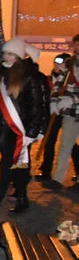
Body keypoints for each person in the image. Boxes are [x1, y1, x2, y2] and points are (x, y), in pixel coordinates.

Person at [0, 39, 49, 216]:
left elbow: (38, 105)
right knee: (18, 166)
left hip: (18, 130)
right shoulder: (0, 72)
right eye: (5, 53)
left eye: (11, 54)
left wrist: (33, 132)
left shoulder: (30, 76)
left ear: (19, 56)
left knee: (7, 165)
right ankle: (22, 198)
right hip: (0, 127)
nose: (7, 57)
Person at [46, 36, 79, 189]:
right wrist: (54, 101)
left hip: (73, 105)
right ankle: (58, 179)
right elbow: (58, 84)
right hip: (71, 113)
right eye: (76, 44)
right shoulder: (70, 64)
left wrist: (73, 100)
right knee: (66, 145)